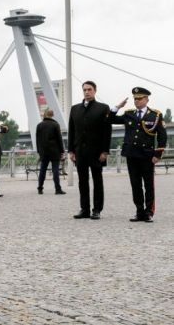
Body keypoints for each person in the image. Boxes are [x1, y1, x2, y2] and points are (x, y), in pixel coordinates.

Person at [111, 87, 167, 222]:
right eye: (135, 98)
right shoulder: (129, 113)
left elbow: (162, 136)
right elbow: (110, 119)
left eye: (140, 98)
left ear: (146, 99)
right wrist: (117, 107)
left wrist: (157, 155)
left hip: (147, 156)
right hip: (132, 155)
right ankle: (139, 211)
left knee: (148, 185)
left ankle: (149, 212)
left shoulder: (156, 115)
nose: (137, 101)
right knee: (135, 185)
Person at [68, 81, 111, 220]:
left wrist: (105, 151)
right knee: (82, 181)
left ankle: (97, 209)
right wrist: (71, 150)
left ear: (95, 91)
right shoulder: (75, 109)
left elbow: (107, 132)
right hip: (80, 151)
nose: (87, 92)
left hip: (97, 152)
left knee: (97, 180)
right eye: (85, 90)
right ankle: (84, 209)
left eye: (89, 89)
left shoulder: (103, 108)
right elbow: (71, 131)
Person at [35, 108, 66, 195]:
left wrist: (39, 151)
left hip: (43, 152)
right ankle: (57, 189)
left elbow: (37, 140)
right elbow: (59, 139)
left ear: (45, 115)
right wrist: (62, 151)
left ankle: (40, 188)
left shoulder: (39, 125)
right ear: (52, 115)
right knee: (55, 170)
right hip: (54, 151)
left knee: (42, 169)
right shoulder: (55, 125)